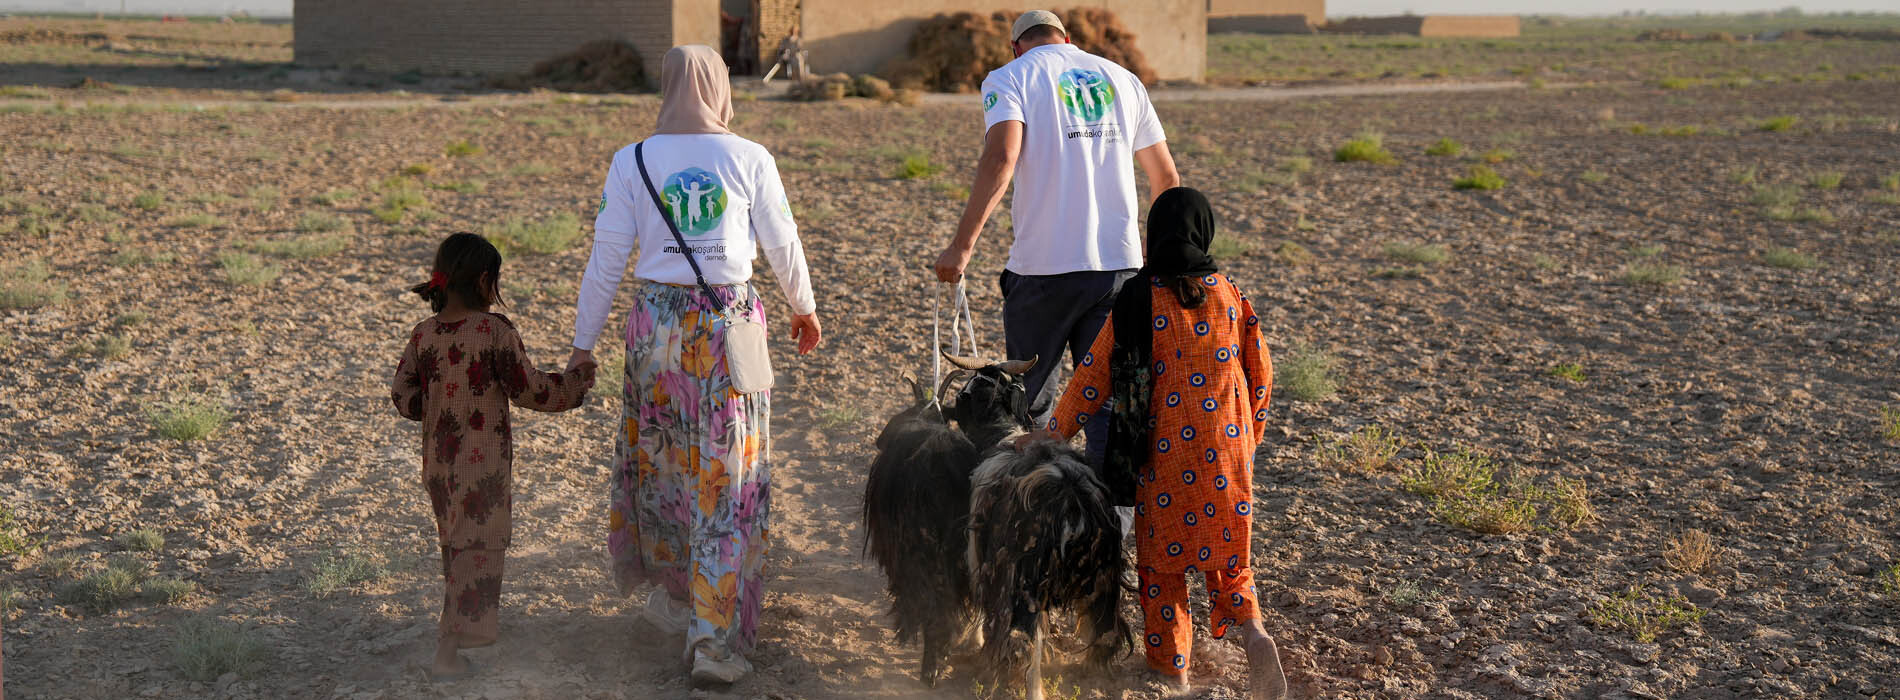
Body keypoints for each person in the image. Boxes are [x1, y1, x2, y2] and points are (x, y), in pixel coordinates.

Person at [567, 45, 822, 685]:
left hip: (654, 329)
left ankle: (670, 601)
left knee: (663, 468)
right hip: (727, 327)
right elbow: (782, 242)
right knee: (724, 478)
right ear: (719, 87)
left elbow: (605, 262)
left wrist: (582, 345)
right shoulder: (749, 158)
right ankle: (712, 641)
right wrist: (804, 306)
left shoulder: (633, 161)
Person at [1020, 188, 1288, 699]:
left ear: (1152, 235)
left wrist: (1050, 433)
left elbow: (1092, 377)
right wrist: (1246, 441)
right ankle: (1253, 632)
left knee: (1162, 570)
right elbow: (1261, 374)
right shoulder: (1230, 294)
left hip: (1162, 464)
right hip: (1229, 458)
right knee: (1230, 562)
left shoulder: (1138, 300)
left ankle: (1173, 668)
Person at [933, 9, 1180, 463]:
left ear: (1016, 46)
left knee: (1032, 406)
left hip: (1043, 271)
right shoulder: (1122, 79)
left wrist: (961, 247)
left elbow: (1001, 159)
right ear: (1068, 39)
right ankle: (1112, 522)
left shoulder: (1009, 77)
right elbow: (1166, 176)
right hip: (1119, 269)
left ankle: (1037, 508)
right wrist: (1150, 249)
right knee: (1108, 402)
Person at [390, 232, 597, 681]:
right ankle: (450, 650)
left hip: (439, 464)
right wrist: (577, 383)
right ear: (485, 280)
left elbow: (402, 394)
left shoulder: (424, 334)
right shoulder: (493, 331)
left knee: (457, 546)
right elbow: (532, 391)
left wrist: (439, 406)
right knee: (477, 548)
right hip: (481, 465)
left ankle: (463, 640)